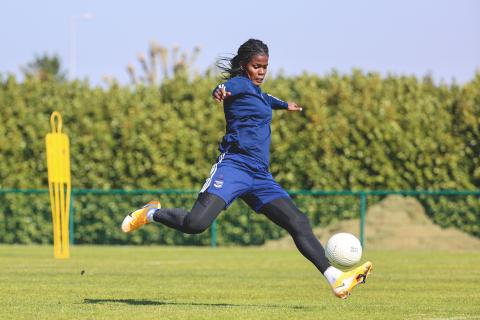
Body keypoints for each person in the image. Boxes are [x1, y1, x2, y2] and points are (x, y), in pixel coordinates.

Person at [121, 39, 372, 299]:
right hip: (234, 167)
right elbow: (224, 87)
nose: (261, 71)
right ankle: (151, 213)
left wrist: (286, 105)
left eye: (265, 67)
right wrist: (219, 91)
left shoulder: (258, 93)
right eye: (256, 66)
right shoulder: (239, 84)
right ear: (244, 66)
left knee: (298, 222)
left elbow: (267, 99)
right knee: (196, 224)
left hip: (260, 176)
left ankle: (336, 279)